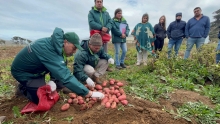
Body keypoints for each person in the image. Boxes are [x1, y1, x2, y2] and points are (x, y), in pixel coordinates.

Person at [11, 27, 104, 104]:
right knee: (42, 100)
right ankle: (22, 88)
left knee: (60, 78)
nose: (75, 51)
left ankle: (45, 84)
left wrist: (53, 80)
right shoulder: (49, 49)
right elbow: (65, 76)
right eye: (74, 47)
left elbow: (60, 68)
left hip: (37, 70)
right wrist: (88, 93)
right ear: (65, 42)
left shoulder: (57, 47)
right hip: (25, 73)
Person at [88, 0, 113, 71]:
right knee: (95, 50)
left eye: (100, 2)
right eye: (97, 2)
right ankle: (94, 65)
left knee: (105, 50)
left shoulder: (106, 13)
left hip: (104, 35)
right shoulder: (91, 12)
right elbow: (91, 22)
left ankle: (105, 65)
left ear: (102, 3)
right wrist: (101, 28)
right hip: (95, 36)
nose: (99, 3)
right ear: (95, 3)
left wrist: (107, 28)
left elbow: (110, 22)